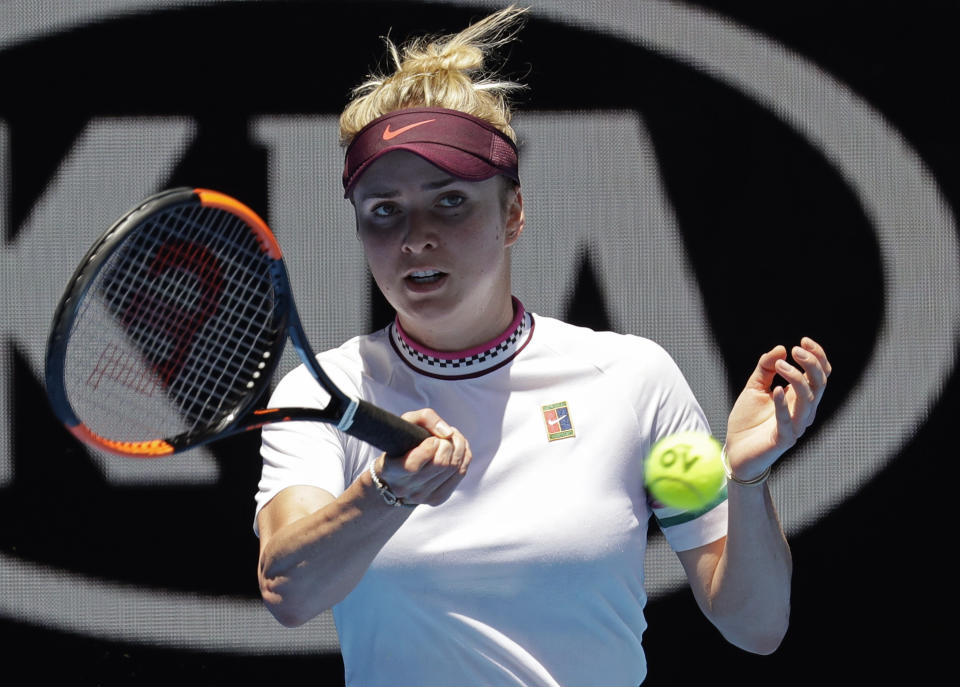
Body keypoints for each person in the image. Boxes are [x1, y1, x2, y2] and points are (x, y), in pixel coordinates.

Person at [254, 6, 831, 685]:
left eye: (449, 201)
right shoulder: (320, 395)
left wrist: (747, 478)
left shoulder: (634, 380)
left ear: (513, 212)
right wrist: (386, 491)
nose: (414, 237)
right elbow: (288, 590)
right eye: (384, 209)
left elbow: (755, 624)